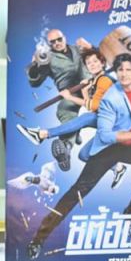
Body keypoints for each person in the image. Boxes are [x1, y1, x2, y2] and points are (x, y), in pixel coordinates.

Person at [26, 53, 131, 259]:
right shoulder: (111, 98)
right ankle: (38, 239)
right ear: (116, 72)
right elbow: (106, 136)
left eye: (128, 70)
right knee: (76, 192)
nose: (124, 74)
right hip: (107, 148)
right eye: (120, 70)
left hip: (129, 144)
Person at [17, 47, 127, 187]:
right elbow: (91, 105)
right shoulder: (94, 81)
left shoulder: (104, 80)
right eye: (89, 63)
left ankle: (42, 134)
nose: (92, 64)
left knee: (86, 117)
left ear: (102, 63)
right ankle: (118, 168)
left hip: (117, 123)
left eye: (95, 61)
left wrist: (69, 97)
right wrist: (85, 90)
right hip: (105, 122)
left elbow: (95, 106)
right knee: (84, 155)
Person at [26, 29, 91, 168]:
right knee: (64, 110)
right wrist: (34, 66)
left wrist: (90, 47)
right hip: (70, 92)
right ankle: (66, 147)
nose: (57, 43)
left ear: (65, 38)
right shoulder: (47, 59)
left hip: (91, 86)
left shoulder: (77, 49)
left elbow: (99, 59)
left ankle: (76, 130)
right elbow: (35, 82)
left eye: (59, 39)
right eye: (53, 42)